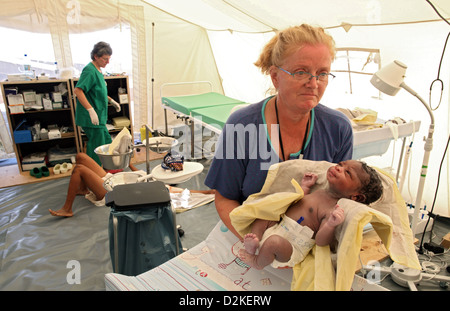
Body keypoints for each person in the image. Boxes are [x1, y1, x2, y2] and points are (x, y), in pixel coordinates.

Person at [205, 24, 354, 238]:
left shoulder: (338, 128)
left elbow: (340, 198)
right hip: (247, 236)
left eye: (322, 74)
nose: (313, 84)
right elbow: (225, 199)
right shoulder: (242, 126)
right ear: (275, 77)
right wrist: (257, 242)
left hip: (307, 240)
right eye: (301, 72)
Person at [237, 160, 383, 270]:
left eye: (347, 173)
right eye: (341, 164)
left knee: (274, 242)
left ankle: (257, 262)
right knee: (263, 216)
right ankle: (254, 243)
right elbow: (299, 202)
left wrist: (331, 225)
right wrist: (305, 188)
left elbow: (321, 241)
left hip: (291, 247)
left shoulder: (332, 209)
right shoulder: (319, 191)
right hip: (278, 227)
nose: (339, 168)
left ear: (356, 197)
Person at [49, 153, 138, 217]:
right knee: (81, 156)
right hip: (115, 179)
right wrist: (127, 160)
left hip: (112, 191)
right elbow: (141, 173)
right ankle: (83, 190)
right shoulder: (149, 173)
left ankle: (67, 209)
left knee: (79, 169)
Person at [74, 41, 121, 165]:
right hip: (92, 118)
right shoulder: (89, 71)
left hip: (100, 117)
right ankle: (92, 172)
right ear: (96, 56)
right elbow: (78, 91)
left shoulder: (98, 70)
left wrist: (112, 100)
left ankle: (106, 168)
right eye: (105, 59)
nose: (108, 62)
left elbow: (97, 91)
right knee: (97, 147)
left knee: (106, 142)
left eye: (109, 59)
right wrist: (90, 110)